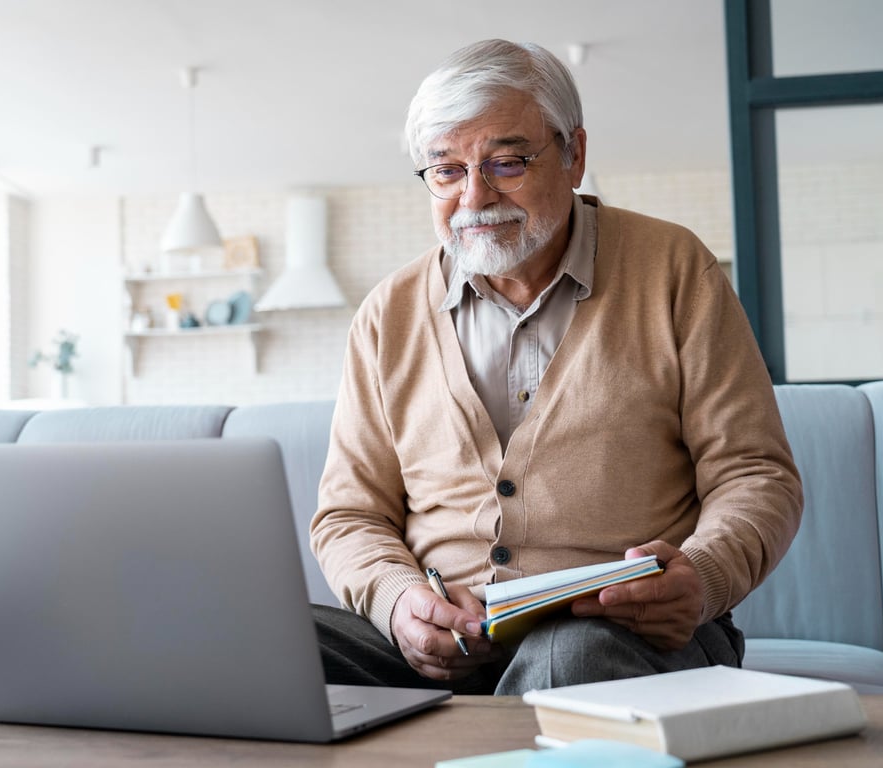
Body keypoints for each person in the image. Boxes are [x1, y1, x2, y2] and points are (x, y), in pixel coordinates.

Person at [309, 39, 803, 695]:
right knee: (265, 642)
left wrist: (702, 574)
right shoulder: (386, 315)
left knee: (567, 658)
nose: (474, 197)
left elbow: (755, 473)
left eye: (507, 163)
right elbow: (348, 517)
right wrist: (400, 603)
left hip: (628, 631)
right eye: (447, 171)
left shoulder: (675, 270)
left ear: (574, 154)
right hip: (443, 641)